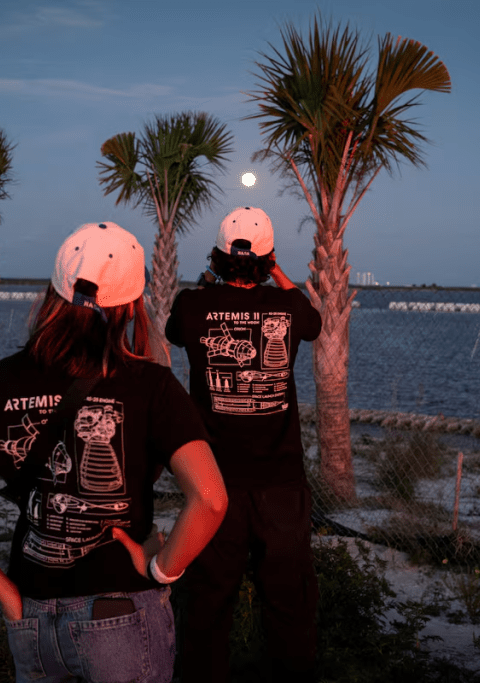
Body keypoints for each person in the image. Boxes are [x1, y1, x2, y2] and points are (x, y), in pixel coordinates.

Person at [0, 221, 228, 683]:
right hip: (118, 613)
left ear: (53, 291)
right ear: (133, 304)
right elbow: (212, 498)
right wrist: (162, 568)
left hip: (32, 617)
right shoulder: (151, 385)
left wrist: (6, 593)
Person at [165, 207, 322, 682]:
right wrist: (275, 269)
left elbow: (174, 331)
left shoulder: (193, 306)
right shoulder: (289, 308)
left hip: (212, 486)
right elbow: (312, 321)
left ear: (217, 253)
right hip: (280, 484)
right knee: (289, 604)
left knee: (208, 603)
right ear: (269, 256)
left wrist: (212, 274)